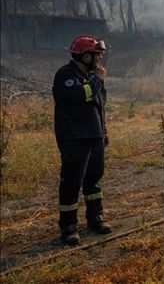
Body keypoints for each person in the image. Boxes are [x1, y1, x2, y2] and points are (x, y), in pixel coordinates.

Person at [52, 35, 112, 245]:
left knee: (93, 177)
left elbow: (99, 105)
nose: (100, 59)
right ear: (86, 56)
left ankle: (95, 217)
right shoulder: (66, 75)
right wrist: (97, 79)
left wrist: (103, 132)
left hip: (94, 134)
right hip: (74, 136)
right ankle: (68, 226)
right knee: (72, 180)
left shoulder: (91, 75)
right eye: (97, 55)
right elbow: (82, 95)